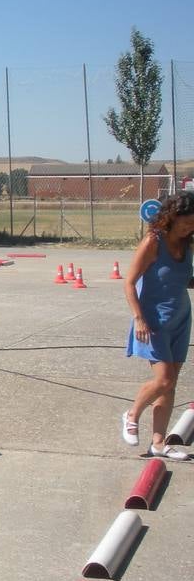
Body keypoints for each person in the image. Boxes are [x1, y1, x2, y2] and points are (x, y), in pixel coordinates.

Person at [121, 191, 194, 461]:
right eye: (186, 222)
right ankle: (132, 414)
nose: (189, 227)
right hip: (152, 321)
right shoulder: (153, 241)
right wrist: (138, 317)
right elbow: (129, 282)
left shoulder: (188, 245)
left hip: (181, 318)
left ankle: (159, 443)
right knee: (163, 379)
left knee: (171, 384)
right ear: (171, 217)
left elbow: (181, 280)